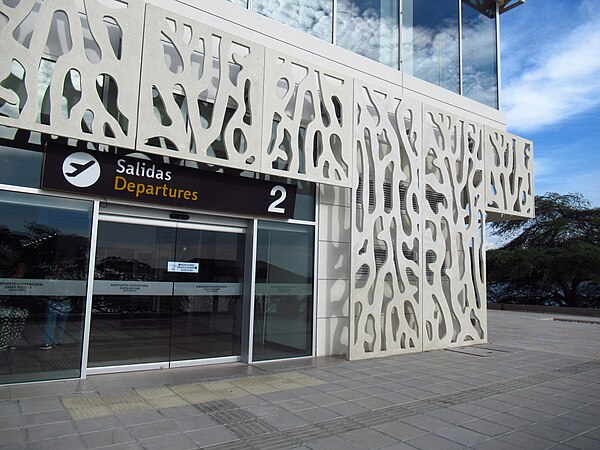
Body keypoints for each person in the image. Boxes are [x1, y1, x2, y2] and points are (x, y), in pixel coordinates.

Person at [41, 256, 74, 350]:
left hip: (65, 301)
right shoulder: (52, 274)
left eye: (66, 262)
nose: (65, 264)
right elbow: (46, 284)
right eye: (63, 262)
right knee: (50, 322)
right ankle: (47, 342)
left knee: (62, 322)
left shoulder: (70, 275)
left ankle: (58, 341)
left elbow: (73, 286)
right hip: (53, 301)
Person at [0, 261, 30, 350]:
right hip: (7, 305)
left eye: (25, 267)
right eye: (21, 266)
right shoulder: (8, 279)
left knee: (18, 325)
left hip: (21, 306)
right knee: (5, 324)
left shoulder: (28, 280)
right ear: (16, 268)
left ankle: (14, 343)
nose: (24, 269)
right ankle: (3, 342)